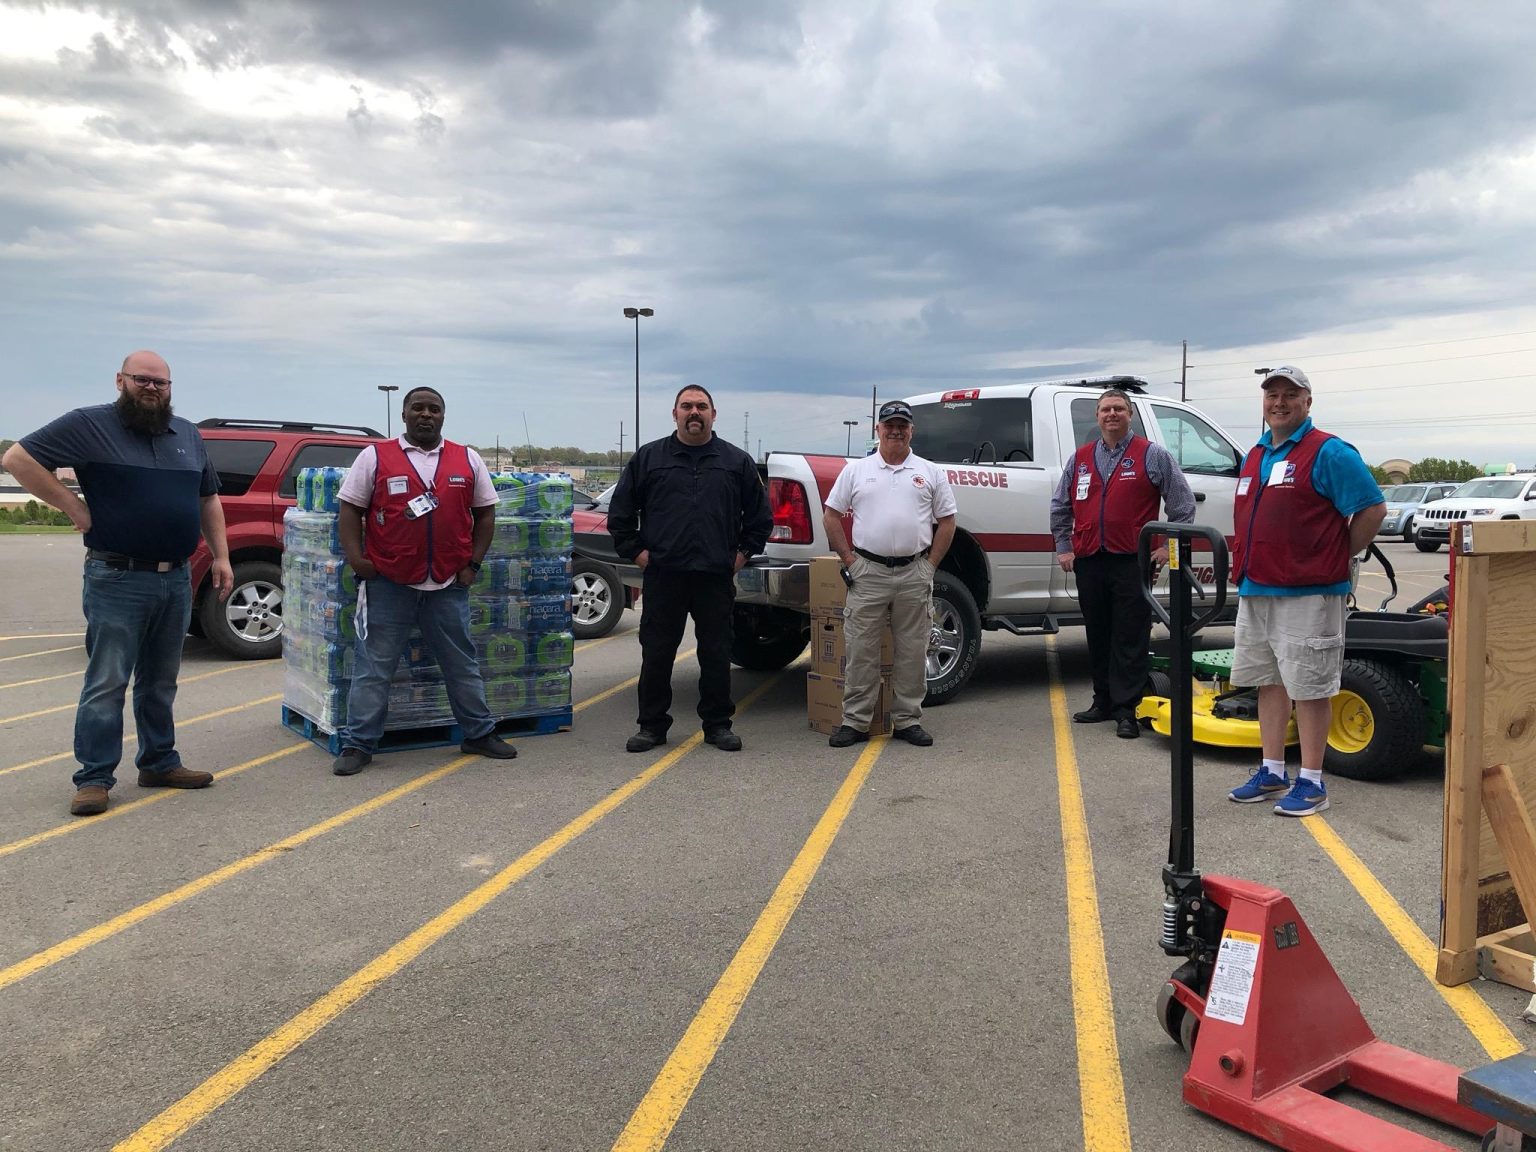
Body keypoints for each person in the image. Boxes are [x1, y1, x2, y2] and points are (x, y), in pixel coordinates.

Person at [2, 351, 233, 816]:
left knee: (160, 681)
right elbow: (18, 459)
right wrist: (73, 507)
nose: (152, 388)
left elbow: (208, 499)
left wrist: (222, 556)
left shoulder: (186, 433)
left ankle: (159, 762)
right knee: (107, 681)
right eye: (142, 380)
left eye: (161, 383)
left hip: (175, 578)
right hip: (117, 577)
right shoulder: (89, 425)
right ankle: (94, 777)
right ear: (120, 380)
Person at [329, 386, 518, 775]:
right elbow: (350, 510)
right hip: (390, 582)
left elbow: (485, 515)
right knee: (374, 666)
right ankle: (358, 744)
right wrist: (357, 559)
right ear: (404, 415)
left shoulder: (466, 459)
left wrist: (474, 565)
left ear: (443, 416)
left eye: (434, 409)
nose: (426, 415)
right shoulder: (375, 457)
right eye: (418, 408)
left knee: (461, 662)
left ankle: (478, 733)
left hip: (448, 582)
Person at [1226, 366, 1386, 816]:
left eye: (1289, 395)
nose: (1278, 402)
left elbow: (1372, 507)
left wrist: (1338, 555)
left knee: (1311, 686)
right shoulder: (1256, 454)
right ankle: (1272, 770)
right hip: (1258, 588)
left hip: (1309, 593)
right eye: (1271, 394)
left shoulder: (1329, 451)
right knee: (1268, 681)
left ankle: (1312, 781)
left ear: (1307, 402)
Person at [608, 385, 772, 753]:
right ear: (675, 414)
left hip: (715, 576)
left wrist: (742, 554)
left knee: (715, 652)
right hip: (664, 574)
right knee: (657, 653)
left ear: (714, 414)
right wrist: (638, 554)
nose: (693, 412)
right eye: (687, 406)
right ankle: (652, 726)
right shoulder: (649, 459)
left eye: (701, 406)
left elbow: (760, 518)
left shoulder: (735, 462)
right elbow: (619, 517)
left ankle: (717, 725)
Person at [1049, 387, 1197, 739]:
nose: (1111, 414)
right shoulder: (1080, 458)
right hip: (1090, 561)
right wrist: (1064, 547)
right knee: (1097, 633)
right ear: (1097, 416)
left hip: (1132, 560)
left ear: (1130, 414)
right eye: (1105, 409)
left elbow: (1183, 505)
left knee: (1129, 636)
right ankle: (1102, 701)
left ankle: (1126, 709)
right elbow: (1060, 506)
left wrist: (1166, 548)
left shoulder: (1152, 455)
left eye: (1118, 408)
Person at [822, 400, 957, 748]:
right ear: (877, 430)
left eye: (903, 425)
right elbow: (831, 516)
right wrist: (850, 560)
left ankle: (908, 720)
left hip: (914, 572)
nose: (896, 430)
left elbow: (947, 522)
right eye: (889, 425)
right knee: (861, 651)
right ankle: (855, 722)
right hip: (868, 572)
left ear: (912, 430)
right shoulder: (857, 470)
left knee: (913, 651)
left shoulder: (930, 472)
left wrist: (929, 566)